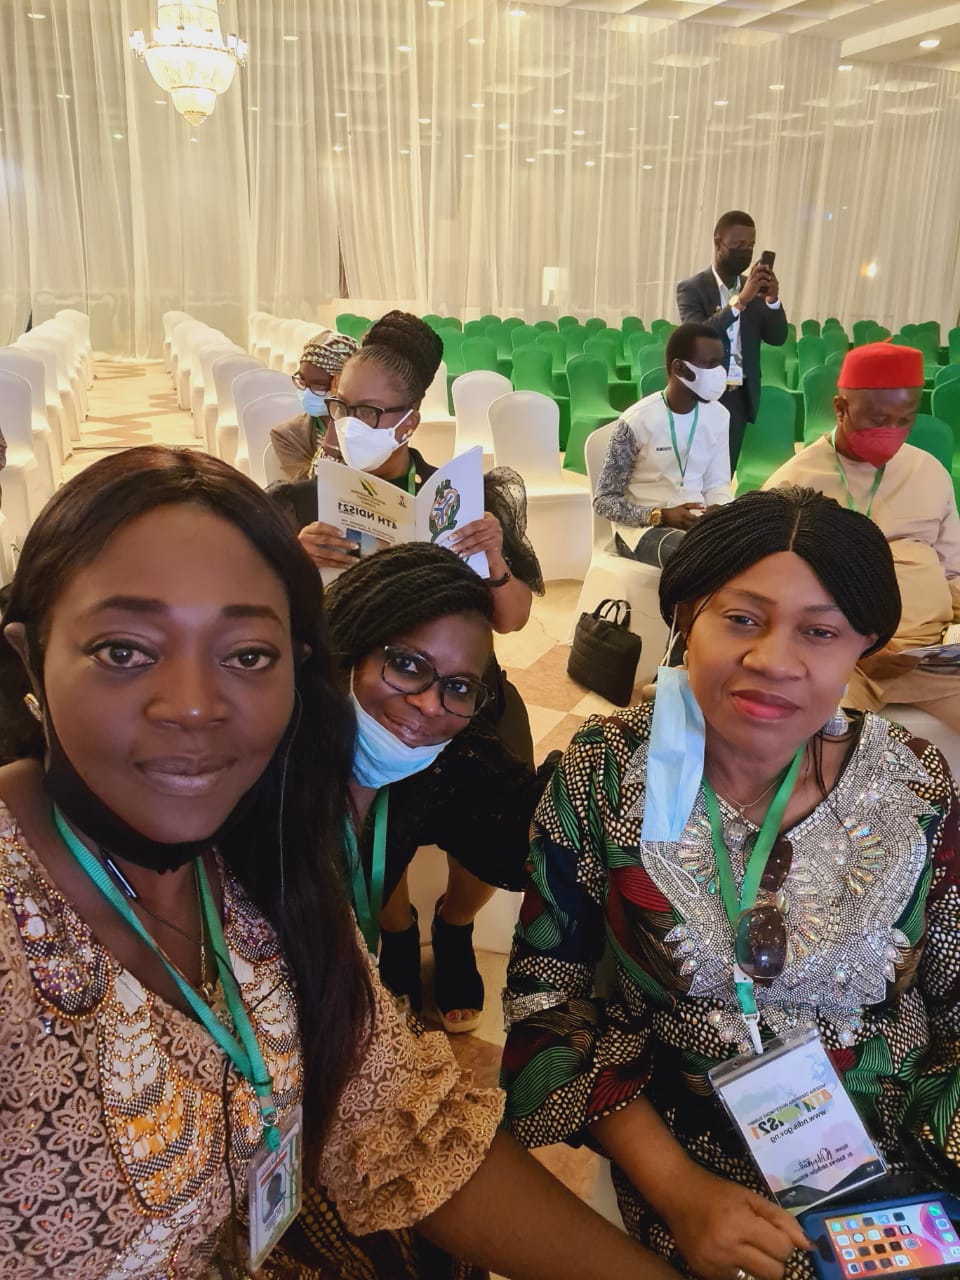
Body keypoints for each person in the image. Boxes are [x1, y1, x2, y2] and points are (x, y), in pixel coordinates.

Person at [0, 445, 680, 1280]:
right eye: (123, 650)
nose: (193, 707)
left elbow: (396, 1120)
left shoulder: (260, 865)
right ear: (31, 657)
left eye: (247, 655)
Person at [502, 486, 960, 1280]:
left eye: (820, 632)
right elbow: (545, 1004)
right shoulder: (604, 775)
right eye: (742, 619)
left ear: (864, 645)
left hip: (906, 1153)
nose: (774, 661)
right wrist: (679, 1192)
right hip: (695, 1156)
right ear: (687, 618)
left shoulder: (913, 782)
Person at [325, 541, 553, 1033]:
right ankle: (397, 932)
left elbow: (529, 828)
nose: (429, 704)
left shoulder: (456, 737)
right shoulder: (268, 770)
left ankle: (454, 929)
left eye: (458, 686)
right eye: (407, 664)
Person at [763, 341, 960, 731]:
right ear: (840, 408)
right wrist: (853, 643)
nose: (892, 431)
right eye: (878, 420)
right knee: (819, 742)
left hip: (926, 654)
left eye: (905, 420)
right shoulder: (793, 485)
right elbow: (773, 595)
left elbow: (953, 572)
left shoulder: (928, 472)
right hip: (838, 657)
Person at [593, 322, 732, 567]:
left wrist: (718, 509)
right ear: (679, 368)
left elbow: (717, 483)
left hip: (697, 524)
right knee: (696, 557)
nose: (717, 373)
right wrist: (660, 516)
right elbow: (604, 501)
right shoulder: (636, 421)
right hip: (642, 530)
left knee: (753, 550)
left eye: (718, 364)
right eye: (708, 364)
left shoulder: (719, 416)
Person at [677, 210, 787, 471]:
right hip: (703, 394)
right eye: (738, 245)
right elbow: (696, 337)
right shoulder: (692, 288)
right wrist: (740, 301)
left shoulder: (755, 288)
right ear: (718, 242)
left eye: (750, 246)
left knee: (724, 473)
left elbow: (777, 337)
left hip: (738, 396)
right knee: (696, 472)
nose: (745, 251)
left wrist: (772, 300)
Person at [270, 330, 358, 481]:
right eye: (302, 380)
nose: (307, 392)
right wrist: (337, 416)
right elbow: (311, 488)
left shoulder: (370, 427)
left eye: (319, 386)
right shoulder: (288, 435)